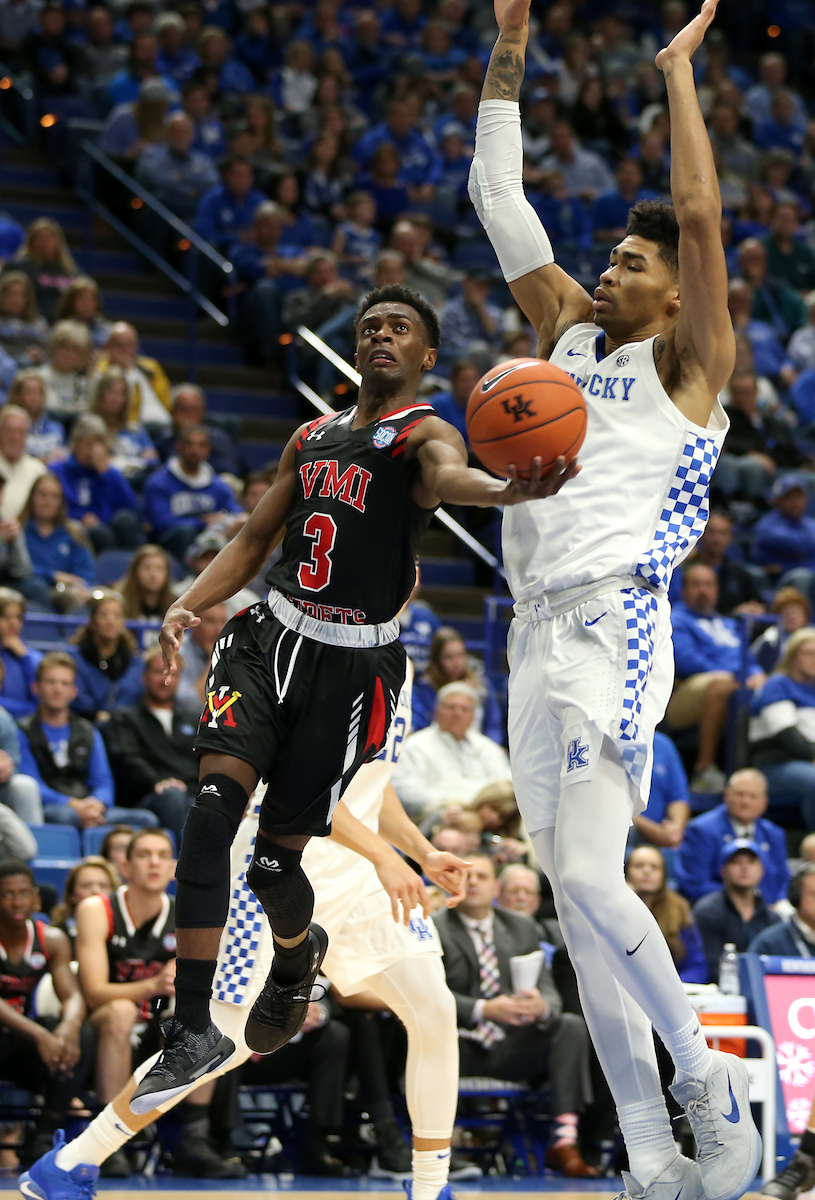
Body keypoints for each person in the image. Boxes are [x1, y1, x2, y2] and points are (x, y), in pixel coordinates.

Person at [131, 277, 571, 1111]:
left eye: (399, 327)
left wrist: (504, 490)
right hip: (267, 637)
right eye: (371, 326)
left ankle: (296, 955)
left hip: (350, 670)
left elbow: (451, 477)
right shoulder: (311, 436)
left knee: (273, 867)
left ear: (425, 354)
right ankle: (190, 1027)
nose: (380, 335)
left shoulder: (424, 434)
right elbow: (255, 537)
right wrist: (188, 603)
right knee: (211, 813)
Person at [469, 1, 760, 1198]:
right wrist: (508, 42)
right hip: (527, 634)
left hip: (615, 621)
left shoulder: (689, 363)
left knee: (595, 880)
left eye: (632, 264)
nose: (607, 269)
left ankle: (703, 1080)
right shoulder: (565, 332)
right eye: (609, 259)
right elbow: (496, 197)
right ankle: (647, 1156)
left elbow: (698, 215)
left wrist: (675, 74)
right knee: (574, 909)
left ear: (676, 296)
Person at [24, 681, 471, 1200]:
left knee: (434, 1008)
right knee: (222, 1042)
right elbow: (305, 787)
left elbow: (372, 784)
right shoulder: (325, 650)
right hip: (281, 861)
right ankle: (71, 1161)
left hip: (361, 869)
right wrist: (387, 857)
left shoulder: (400, 662)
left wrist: (421, 850)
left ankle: (431, 1187)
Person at [433, 852, 596, 1177]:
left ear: (496, 888)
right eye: (465, 876)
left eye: (481, 876)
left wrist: (541, 1006)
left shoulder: (521, 927)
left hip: (509, 1046)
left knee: (570, 1025)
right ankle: (441, 1143)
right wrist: (484, 1009)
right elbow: (429, 994)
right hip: (457, 1043)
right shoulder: (435, 926)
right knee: (436, 1035)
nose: (473, 882)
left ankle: (564, 1140)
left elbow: (548, 989)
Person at [0, 859, 92, 1162]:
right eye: (7, 894)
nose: (17, 902)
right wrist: (41, 1035)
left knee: (81, 1035)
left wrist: (69, 1026)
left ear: (36, 899)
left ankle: (44, 1134)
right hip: (18, 1035)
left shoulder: (51, 939)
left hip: (19, 1044)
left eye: (24, 893)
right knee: (49, 1033)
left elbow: (72, 995)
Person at [17, 652, 157, 830]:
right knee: (65, 817)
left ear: (74, 691)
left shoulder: (88, 732)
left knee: (146, 820)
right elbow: (32, 785)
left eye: (65, 683)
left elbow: (103, 782)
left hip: (87, 806)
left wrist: (97, 804)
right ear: (36, 687)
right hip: (52, 808)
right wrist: (71, 804)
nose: (58, 689)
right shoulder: (23, 731)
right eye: (51, 682)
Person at [667, 562, 765, 792]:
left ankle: (754, 770)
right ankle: (704, 769)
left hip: (732, 682)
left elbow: (749, 661)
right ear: (683, 590)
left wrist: (757, 675)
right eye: (696, 584)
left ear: (717, 589)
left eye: (709, 584)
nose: (703, 590)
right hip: (684, 692)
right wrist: (736, 676)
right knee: (722, 683)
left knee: (770, 684)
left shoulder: (729, 624)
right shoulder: (675, 620)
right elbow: (688, 662)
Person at [101, 646, 201, 837]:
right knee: (173, 798)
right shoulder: (125, 719)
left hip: (190, 793)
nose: (165, 680)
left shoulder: (195, 720)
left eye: (172, 673)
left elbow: (204, 762)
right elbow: (128, 761)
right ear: (144, 676)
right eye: (158, 672)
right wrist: (156, 782)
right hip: (147, 796)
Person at [392, 683, 512, 820]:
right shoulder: (415, 746)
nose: (457, 714)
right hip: (443, 816)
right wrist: (456, 804)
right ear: (436, 711)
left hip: (493, 818)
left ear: (473, 716)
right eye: (451, 707)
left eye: (465, 709)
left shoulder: (489, 748)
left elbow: (508, 785)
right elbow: (404, 790)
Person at [675, 768, 790, 904]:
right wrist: (745, 902)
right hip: (718, 910)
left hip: (768, 910)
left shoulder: (774, 834)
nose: (745, 802)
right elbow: (695, 883)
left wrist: (779, 903)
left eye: (753, 796)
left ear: (764, 803)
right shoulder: (701, 830)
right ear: (726, 795)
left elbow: (783, 880)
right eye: (740, 794)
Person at [142, 424, 242, 561]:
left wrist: (225, 520)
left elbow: (236, 512)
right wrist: (201, 522)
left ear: (208, 450)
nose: (195, 450)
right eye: (189, 444)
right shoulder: (159, 482)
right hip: (169, 545)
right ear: (178, 447)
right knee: (186, 532)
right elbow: (161, 522)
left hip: (210, 541)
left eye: (201, 445)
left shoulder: (218, 485)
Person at [749, 628, 815, 828]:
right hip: (776, 764)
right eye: (809, 653)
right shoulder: (777, 685)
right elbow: (787, 735)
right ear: (793, 656)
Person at [51, 415, 143, 553]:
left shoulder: (110, 471)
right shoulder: (58, 471)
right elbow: (53, 507)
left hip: (107, 525)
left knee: (126, 522)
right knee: (100, 534)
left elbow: (130, 505)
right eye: (89, 444)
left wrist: (107, 473)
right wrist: (80, 517)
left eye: (99, 444)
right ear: (75, 444)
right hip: (73, 526)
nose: (95, 450)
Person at [692, 840, 780, 982]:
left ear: (762, 870)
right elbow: (710, 966)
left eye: (751, 862)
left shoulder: (772, 918)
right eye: (736, 862)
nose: (744, 868)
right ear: (723, 871)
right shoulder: (707, 912)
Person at [624, 846, 707, 983]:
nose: (647, 871)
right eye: (639, 866)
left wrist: (674, 986)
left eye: (654, 867)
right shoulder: (614, 908)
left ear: (664, 875)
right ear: (626, 872)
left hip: (671, 987)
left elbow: (696, 966)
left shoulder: (679, 908)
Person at [412, 626, 504, 742]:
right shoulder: (426, 688)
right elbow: (423, 725)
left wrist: (489, 747)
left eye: (460, 655)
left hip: (476, 746)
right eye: (449, 657)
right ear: (437, 659)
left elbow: (493, 725)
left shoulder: (482, 686)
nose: (456, 662)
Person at [20, 474, 95, 614]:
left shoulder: (73, 533)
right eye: (43, 495)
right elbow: (17, 569)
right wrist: (53, 575)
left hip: (68, 591)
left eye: (55, 497)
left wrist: (82, 586)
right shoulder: (18, 531)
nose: (48, 502)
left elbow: (86, 571)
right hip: (30, 592)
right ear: (32, 498)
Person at [93, 322, 172, 428]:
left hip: (162, 423)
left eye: (130, 345)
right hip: (131, 425)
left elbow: (166, 398)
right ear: (108, 346)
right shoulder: (102, 370)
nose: (126, 350)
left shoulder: (150, 367)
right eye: (120, 345)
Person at [87, 368, 158, 479]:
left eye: (122, 394)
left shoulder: (135, 430)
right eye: (111, 392)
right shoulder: (88, 427)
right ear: (100, 394)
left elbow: (153, 461)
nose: (116, 398)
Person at [632, 731, 691, 849]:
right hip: (627, 832)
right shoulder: (608, 742)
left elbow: (678, 797)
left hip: (661, 835)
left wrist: (675, 828)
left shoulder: (663, 744)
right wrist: (654, 831)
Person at [51, 856, 118, 950]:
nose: (96, 891)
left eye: (103, 886)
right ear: (72, 894)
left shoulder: (123, 930)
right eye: (86, 886)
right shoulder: (58, 934)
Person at [0, 588, 40, 718]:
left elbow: (42, 702)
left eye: (18, 617)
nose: (14, 623)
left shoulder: (33, 658)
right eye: (6, 617)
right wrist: (30, 709)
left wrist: (25, 658)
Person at [10, 372, 66, 464]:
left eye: (39, 392)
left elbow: (62, 460)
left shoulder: (57, 429)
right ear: (17, 396)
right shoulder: (8, 428)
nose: (34, 397)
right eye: (29, 392)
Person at [118, 543, 174, 622]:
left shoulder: (176, 604)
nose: (153, 574)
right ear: (135, 572)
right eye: (147, 568)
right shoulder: (120, 603)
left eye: (159, 568)